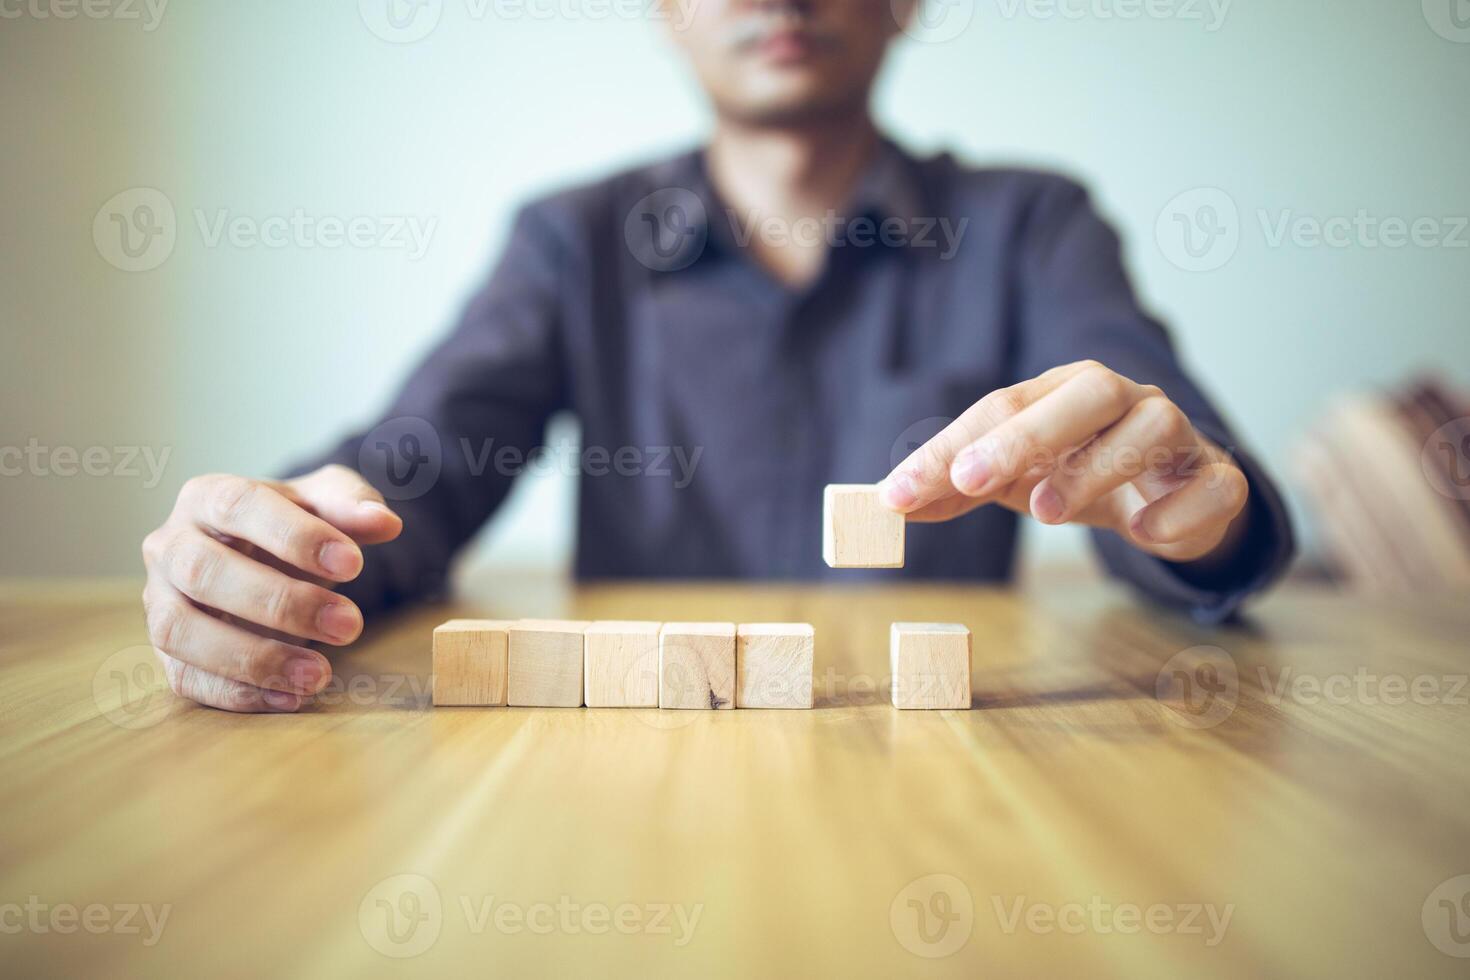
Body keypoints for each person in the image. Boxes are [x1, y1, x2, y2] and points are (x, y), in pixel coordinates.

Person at [139, 0, 1293, 712]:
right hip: (646, 785)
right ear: (664, 7)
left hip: (948, 785)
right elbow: (422, 459)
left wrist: (1199, 512)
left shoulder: (1032, 222)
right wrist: (283, 541)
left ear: (906, 2)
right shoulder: (570, 237)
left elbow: (1176, 463)